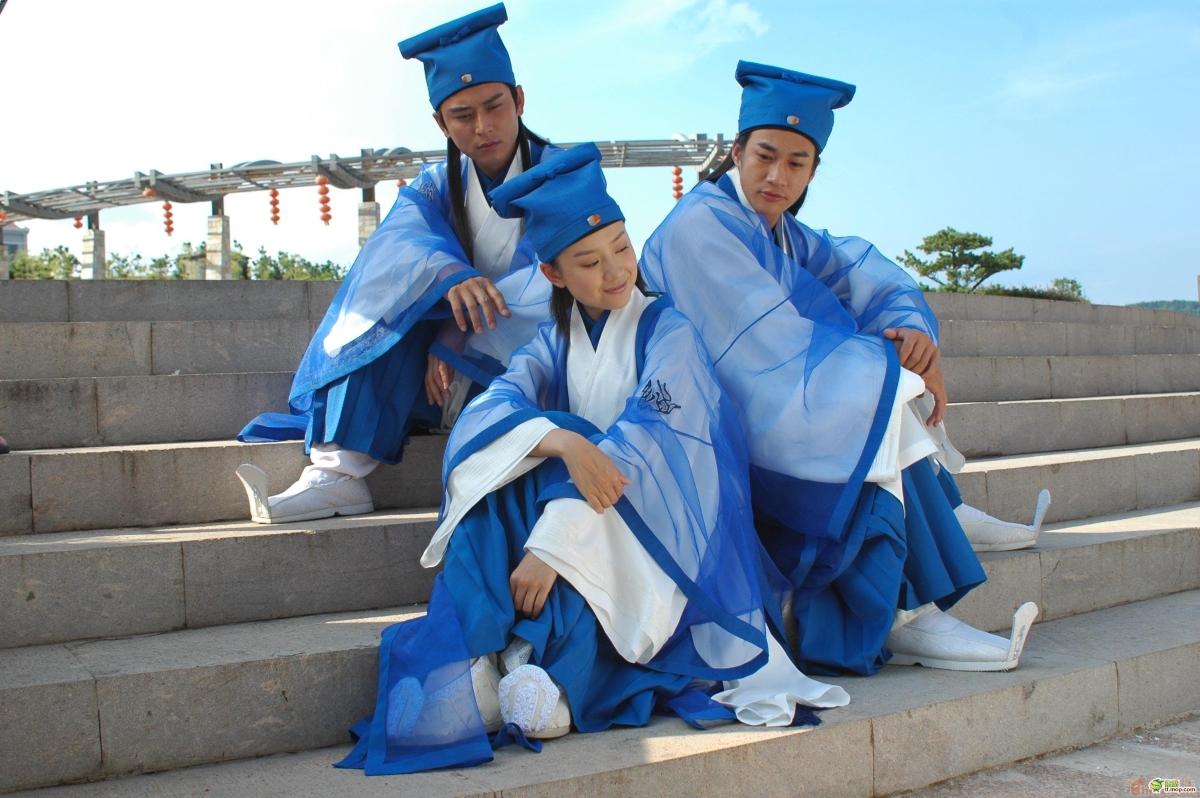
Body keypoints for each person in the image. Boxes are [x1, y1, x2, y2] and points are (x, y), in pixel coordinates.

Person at [335, 143, 850, 776]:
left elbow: (644, 443)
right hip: (586, 502)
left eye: (623, 250)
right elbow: (488, 412)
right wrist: (564, 444)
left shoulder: (671, 333)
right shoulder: (553, 341)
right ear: (553, 275)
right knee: (522, 452)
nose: (615, 273)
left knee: (568, 451)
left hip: (661, 520)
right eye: (589, 261)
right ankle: (483, 658)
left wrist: (553, 541)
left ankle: (528, 665)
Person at [640, 61, 1043, 675]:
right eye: (764, 156)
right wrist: (892, 367)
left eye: (796, 164)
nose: (777, 176)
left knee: (880, 375)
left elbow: (862, 273)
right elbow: (760, 346)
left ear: (812, 172)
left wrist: (912, 333)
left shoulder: (782, 234)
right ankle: (913, 606)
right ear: (737, 152)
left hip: (760, 405)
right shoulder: (700, 225)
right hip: (702, 425)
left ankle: (926, 559)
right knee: (871, 392)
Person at [236, 4, 559, 524]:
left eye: (495, 106)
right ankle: (336, 475)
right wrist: (451, 281)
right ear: (440, 122)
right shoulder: (433, 186)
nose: (483, 127)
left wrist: (455, 340)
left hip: (523, 360)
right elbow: (397, 249)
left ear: (519, 100)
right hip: (441, 373)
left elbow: (555, 274)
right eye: (462, 115)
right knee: (379, 309)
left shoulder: (562, 174)